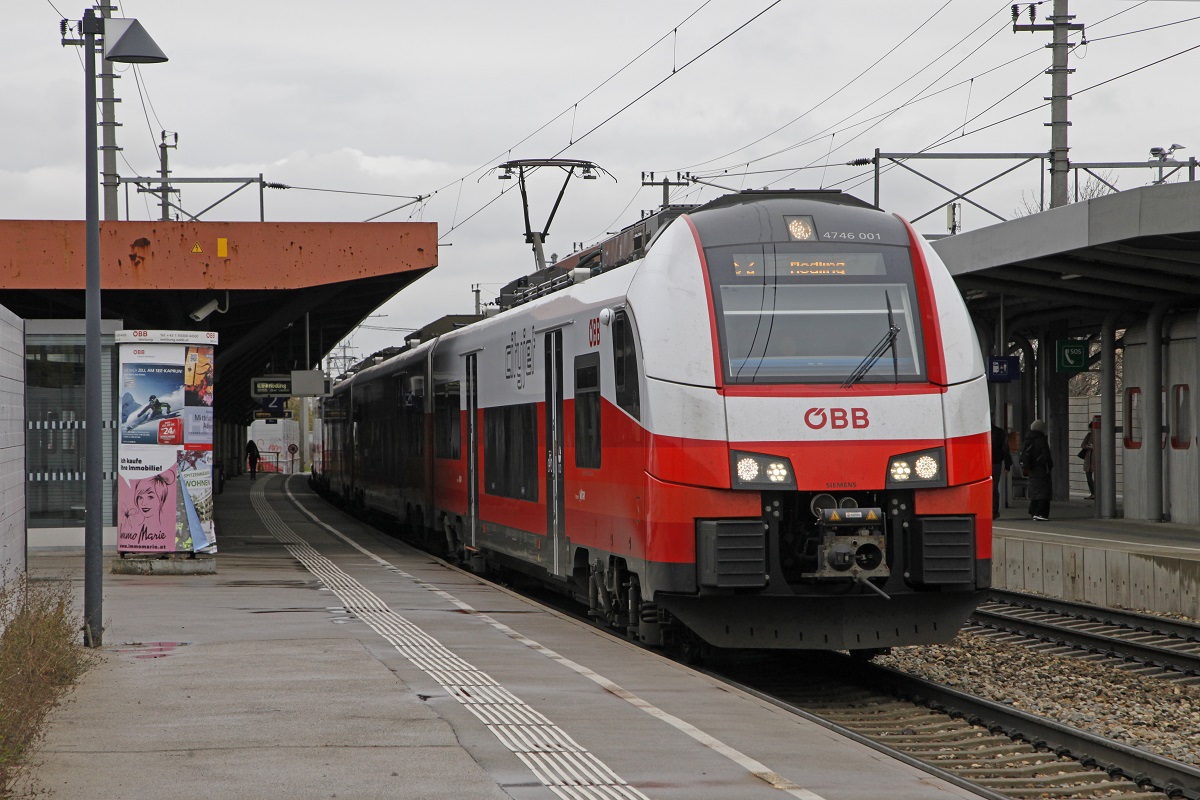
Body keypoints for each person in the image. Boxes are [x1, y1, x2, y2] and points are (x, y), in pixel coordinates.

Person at [1020, 419, 1054, 520]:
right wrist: (1049, 465)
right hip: (1041, 468)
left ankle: (1033, 511)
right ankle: (1041, 513)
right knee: (1044, 491)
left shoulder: (1027, 439)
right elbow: (1046, 455)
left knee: (1035, 490)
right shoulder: (1041, 439)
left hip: (1031, 469)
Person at [991, 422, 1013, 518]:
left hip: (981, 464)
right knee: (994, 488)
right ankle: (994, 511)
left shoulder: (978, 433)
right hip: (996, 463)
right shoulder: (999, 432)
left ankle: (983, 509)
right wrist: (1007, 465)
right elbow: (1005, 449)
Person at [1079, 427, 1095, 500]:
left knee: (1098, 478)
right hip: (1088, 459)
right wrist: (1088, 446)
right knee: (1089, 478)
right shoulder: (1089, 435)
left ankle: (1096, 493)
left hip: (1096, 460)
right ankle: (1093, 493)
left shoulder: (1101, 435)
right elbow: (1082, 445)